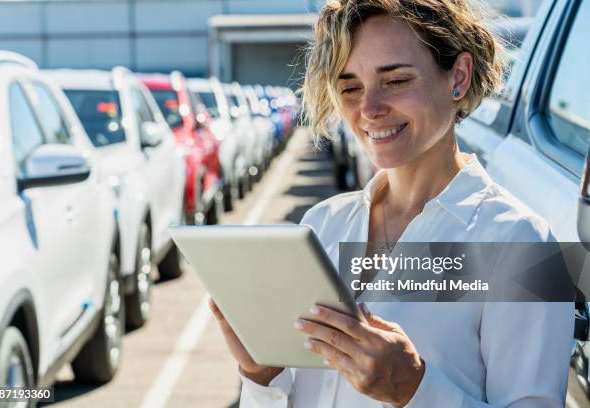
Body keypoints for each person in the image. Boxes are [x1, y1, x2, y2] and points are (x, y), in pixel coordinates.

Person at [209, 0, 574, 406]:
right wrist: (262, 374)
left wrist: (416, 389)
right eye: (350, 87)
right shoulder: (322, 226)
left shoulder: (518, 244)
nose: (369, 109)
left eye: (396, 80)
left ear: (458, 76)